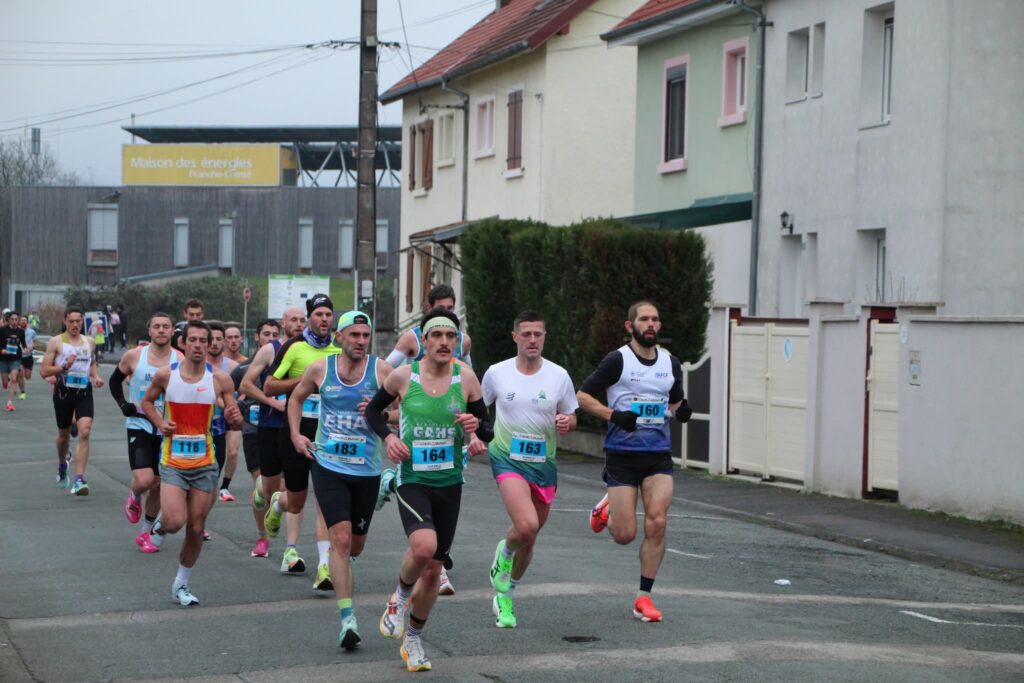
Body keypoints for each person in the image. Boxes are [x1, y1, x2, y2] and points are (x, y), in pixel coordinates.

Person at [365, 307, 490, 672]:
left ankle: (414, 640)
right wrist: (389, 437)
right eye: (437, 335)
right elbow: (373, 412)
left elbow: (488, 429)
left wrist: (475, 426)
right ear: (423, 340)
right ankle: (399, 598)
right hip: (412, 477)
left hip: (450, 481)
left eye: (451, 336)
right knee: (424, 546)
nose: (444, 342)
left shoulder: (466, 378)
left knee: (434, 571)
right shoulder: (404, 376)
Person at [576, 301, 692, 623]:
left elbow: (674, 401)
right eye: (644, 319)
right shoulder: (618, 361)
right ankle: (607, 509)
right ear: (631, 326)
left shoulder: (671, 363)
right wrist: (615, 415)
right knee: (625, 534)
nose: (650, 324)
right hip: (622, 455)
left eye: (655, 319)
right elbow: (583, 396)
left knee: (657, 522)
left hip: (657, 456)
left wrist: (681, 410)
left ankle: (644, 596)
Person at [289, 310, 393, 650]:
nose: (362, 341)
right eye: (355, 335)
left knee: (356, 545)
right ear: (340, 337)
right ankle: (348, 619)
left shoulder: (381, 371)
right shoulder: (321, 369)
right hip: (329, 465)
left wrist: (383, 412)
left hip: (367, 469)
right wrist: (295, 435)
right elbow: (296, 398)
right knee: (342, 541)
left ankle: (379, 492)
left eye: (366, 335)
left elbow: (407, 405)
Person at [481, 311, 578, 628]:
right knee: (524, 526)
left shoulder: (559, 376)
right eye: (526, 334)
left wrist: (567, 422)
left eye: (538, 334)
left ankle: (505, 597)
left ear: (545, 337)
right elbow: (476, 408)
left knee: (532, 536)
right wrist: (472, 435)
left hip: (544, 466)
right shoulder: (497, 373)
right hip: (506, 458)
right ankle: (504, 551)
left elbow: (571, 415)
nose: (533, 340)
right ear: (515, 337)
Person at [142, 320, 242, 606]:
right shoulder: (165, 376)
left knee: (196, 528)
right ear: (182, 343)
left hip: (205, 463)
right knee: (175, 521)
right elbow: (146, 402)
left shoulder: (220, 379)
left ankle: (181, 584)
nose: (198, 345)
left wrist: (236, 417)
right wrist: (161, 422)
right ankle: (161, 524)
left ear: (210, 344)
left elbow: (233, 415)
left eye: (203, 340)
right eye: (193, 340)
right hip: (173, 462)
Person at [382, 284, 473, 595]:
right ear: (429, 307)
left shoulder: (463, 343)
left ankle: (436, 570)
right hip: (413, 416)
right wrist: (391, 425)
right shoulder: (410, 339)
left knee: (436, 549)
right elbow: (386, 368)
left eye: (451, 308)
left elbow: (470, 390)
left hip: (448, 427)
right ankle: (425, 577)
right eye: (442, 308)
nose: (447, 314)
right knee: (425, 545)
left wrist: (474, 429)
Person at [263, 294, 341, 591]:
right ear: (310, 317)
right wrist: (307, 381)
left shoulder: (339, 349)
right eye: (318, 314)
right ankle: (278, 503)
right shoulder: (294, 347)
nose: (324, 319)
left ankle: (324, 567)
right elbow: (270, 385)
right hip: (295, 430)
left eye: (328, 314)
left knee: (324, 501)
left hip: (329, 434)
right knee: (296, 500)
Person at [240, 307, 308, 570]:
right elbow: (246, 385)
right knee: (270, 489)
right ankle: (261, 488)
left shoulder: (314, 352)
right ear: (284, 323)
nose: (299, 324)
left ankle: (290, 551)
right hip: (270, 424)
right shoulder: (271, 349)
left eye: (303, 320)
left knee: (293, 489)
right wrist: (272, 402)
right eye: (294, 320)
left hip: (300, 429)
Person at [109, 312, 180, 553]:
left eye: (166, 326)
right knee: (145, 480)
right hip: (139, 424)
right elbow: (113, 381)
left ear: (172, 332)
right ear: (149, 331)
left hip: (167, 428)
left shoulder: (180, 359)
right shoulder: (133, 356)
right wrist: (123, 405)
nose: (161, 330)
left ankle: (146, 532)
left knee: (159, 484)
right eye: (156, 327)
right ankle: (135, 493)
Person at [230, 319, 281, 558]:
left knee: (278, 489)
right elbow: (223, 392)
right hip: (253, 430)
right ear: (257, 338)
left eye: (274, 334)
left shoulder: (285, 363)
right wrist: (231, 410)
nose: (270, 338)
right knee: (260, 484)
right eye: (266, 334)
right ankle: (261, 537)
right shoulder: (244, 368)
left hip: (280, 429)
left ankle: (274, 519)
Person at [41, 306, 105, 493]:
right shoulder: (56, 342)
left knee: (84, 432)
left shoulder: (90, 342)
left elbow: (91, 361)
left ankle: (79, 480)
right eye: (71, 321)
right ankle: (62, 464)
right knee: (64, 436)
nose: (75, 325)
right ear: (65, 321)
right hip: (63, 393)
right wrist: (63, 366)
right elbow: (44, 370)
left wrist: (96, 376)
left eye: (78, 321)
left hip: (84, 393)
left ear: (82, 321)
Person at [206, 322, 239, 511]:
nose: (215, 343)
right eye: (212, 339)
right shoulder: (200, 366)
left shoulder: (233, 366)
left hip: (231, 417)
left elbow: (245, 389)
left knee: (233, 452)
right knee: (211, 460)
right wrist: (226, 406)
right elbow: (215, 395)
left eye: (219, 339)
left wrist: (236, 407)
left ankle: (224, 486)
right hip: (212, 419)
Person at [1, 311, 27, 410]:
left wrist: (25, 348)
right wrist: (2, 350)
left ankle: (10, 402)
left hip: (15, 358)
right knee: (4, 383)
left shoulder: (21, 331)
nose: (14, 321)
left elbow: (23, 343)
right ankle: (5, 383)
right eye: (12, 319)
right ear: (9, 320)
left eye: (16, 320)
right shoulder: (2, 330)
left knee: (14, 379)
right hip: (3, 359)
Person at [20, 315, 37, 397]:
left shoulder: (32, 332)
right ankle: (22, 391)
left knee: (28, 377)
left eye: (25, 320)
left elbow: (35, 342)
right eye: (22, 320)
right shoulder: (18, 331)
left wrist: (32, 347)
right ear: (20, 322)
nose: (23, 321)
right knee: (20, 373)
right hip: (19, 356)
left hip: (28, 356)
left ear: (27, 322)